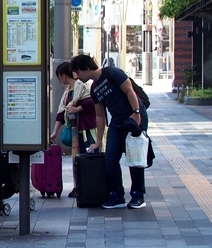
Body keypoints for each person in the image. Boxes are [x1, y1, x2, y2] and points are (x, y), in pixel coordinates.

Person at [69, 53, 148, 209]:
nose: (76, 76)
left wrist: (136, 114)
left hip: (134, 117)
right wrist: (98, 141)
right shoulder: (94, 89)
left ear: (86, 68)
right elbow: (99, 116)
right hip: (117, 122)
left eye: (78, 72)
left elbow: (130, 91)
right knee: (110, 159)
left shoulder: (112, 73)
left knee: (135, 157)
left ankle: (138, 196)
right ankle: (117, 195)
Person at [49, 61, 96, 198]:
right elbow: (60, 113)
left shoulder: (82, 87)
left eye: (59, 76)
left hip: (87, 129)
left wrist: (77, 108)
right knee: (76, 159)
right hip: (75, 131)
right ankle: (79, 186)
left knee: (88, 158)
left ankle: (90, 186)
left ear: (63, 75)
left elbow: (91, 102)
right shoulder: (67, 92)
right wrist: (55, 132)